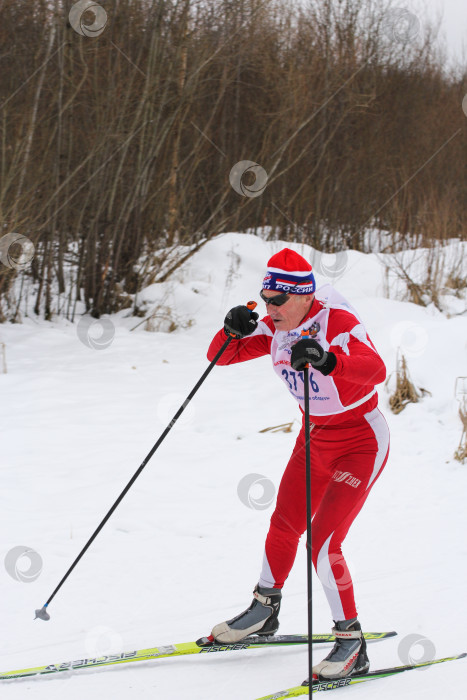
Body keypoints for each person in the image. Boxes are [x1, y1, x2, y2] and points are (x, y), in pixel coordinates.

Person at [206, 248, 390, 681]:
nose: (270, 309)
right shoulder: (276, 325)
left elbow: (376, 368)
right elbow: (220, 356)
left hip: (361, 442)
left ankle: (351, 643)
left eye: (278, 300)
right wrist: (229, 332)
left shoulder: (336, 322)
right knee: (285, 522)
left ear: (304, 295)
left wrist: (330, 361)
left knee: (324, 543)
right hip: (314, 439)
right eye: (265, 298)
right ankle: (264, 611)